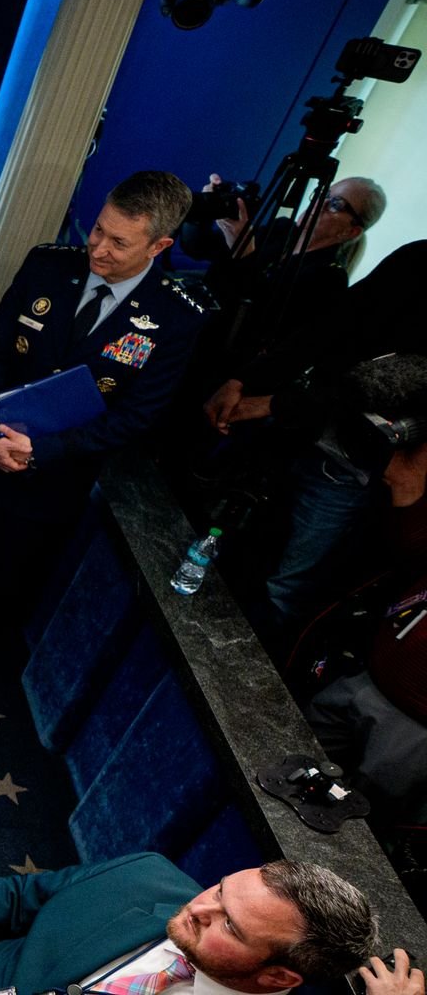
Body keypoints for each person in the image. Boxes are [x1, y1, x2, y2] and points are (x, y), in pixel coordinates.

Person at [0, 172, 208, 681]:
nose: (98, 248)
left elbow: (138, 415)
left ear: (160, 245)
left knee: (10, 572)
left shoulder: (176, 318)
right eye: (98, 229)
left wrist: (42, 452)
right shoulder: (47, 266)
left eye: (119, 242)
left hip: (54, 472)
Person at [0, 853, 419, 995]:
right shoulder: (149, 877)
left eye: (229, 924)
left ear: (277, 974)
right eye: (222, 889)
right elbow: (26, 896)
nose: (197, 906)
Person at [201, 241, 427, 629]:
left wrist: (272, 402)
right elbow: (332, 323)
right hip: (302, 434)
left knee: (283, 593)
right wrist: (247, 378)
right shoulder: (418, 258)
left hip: (358, 467)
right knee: (221, 546)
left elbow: (385, 384)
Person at [302, 354, 427, 824]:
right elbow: (413, 554)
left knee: (348, 827)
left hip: (414, 730)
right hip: (368, 678)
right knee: (280, 765)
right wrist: (407, 479)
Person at [180, 174, 385, 377]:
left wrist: (245, 254)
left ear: (351, 232)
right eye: (323, 194)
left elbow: (263, 318)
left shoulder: (330, 278)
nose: (319, 204)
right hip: (192, 327)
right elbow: (197, 247)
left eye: (336, 205)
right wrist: (204, 211)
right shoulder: (281, 230)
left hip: (222, 362)